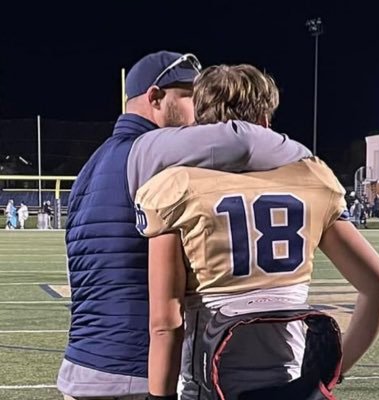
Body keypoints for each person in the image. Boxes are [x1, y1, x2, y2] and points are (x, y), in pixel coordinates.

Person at [135, 65, 379, 400]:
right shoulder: (313, 179)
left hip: (210, 388)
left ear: (200, 122)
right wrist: (332, 373)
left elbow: (164, 322)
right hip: (288, 386)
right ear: (264, 121)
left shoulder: (176, 186)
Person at [58, 53, 311, 400]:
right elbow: (243, 140)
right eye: (190, 95)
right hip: (133, 371)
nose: (200, 110)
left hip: (82, 365)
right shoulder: (149, 147)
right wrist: (307, 161)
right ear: (155, 97)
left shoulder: (92, 165)